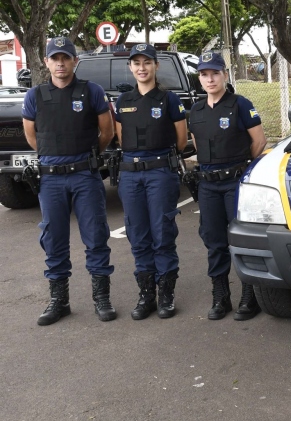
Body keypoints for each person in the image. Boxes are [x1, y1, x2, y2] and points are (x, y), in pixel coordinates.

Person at [21, 37, 116, 325]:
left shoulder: (92, 91)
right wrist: (54, 156)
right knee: (54, 240)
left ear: (75, 61)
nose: (60, 63)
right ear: (47, 62)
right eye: (55, 58)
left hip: (85, 176)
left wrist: (85, 158)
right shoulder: (34, 96)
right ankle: (59, 301)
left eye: (66, 57)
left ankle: (101, 298)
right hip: (51, 180)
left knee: (96, 236)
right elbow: (32, 136)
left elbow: (107, 133)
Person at [188, 52, 267, 320]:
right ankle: (220, 297)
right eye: (204, 74)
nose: (209, 79)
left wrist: (242, 170)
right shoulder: (196, 110)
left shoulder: (241, 104)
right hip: (208, 185)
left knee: (240, 240)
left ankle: (249, 296)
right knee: (214, 242)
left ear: (225, 75)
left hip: (235, 183)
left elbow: (259, 142)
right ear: (199, 78)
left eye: (214, 73)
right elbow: (198, 145)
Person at [114, 44, 187, 320]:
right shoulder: (122, 101)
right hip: (131, 175)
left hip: (160, 172)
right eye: (136, 63)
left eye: (147, 62)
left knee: (162, 232)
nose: (142, 68)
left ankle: (166, 295)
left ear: (156, 66)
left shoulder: (169, 100)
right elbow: (121, 138)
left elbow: (181, 140)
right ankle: (146, 295)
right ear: (130, 67)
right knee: (138, 234)